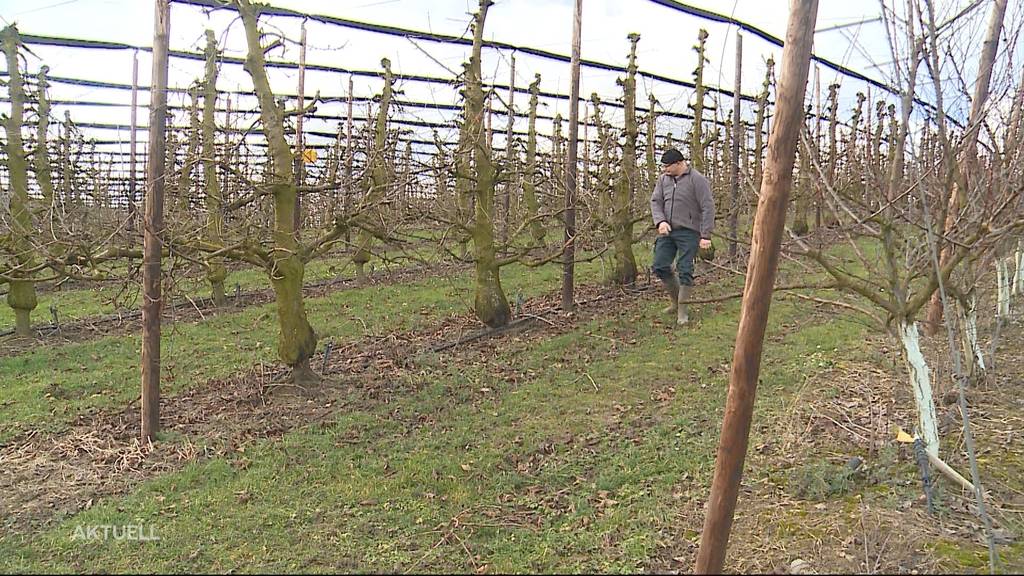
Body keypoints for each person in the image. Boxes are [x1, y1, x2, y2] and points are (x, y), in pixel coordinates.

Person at [649, 148, 715, 325]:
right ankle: (675, 301)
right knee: (660, 265)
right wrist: (660, 221)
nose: (665, 170)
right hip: (667, 230)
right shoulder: (663, 180)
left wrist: (705, 235)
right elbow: (656, 202)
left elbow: (708, 207)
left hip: (689, 231)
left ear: (679, 163)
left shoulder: (697, 180)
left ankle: (682, 310)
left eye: (667, 166)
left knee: (685, 269)